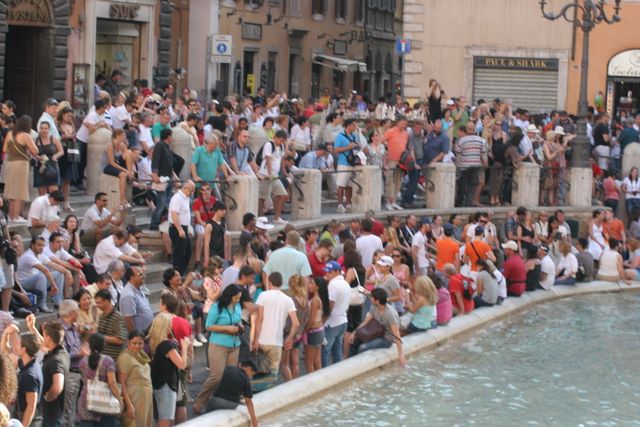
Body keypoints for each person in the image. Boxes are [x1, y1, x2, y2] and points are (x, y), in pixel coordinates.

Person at [192, 285, 243, 414]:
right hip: (219, 345)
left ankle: (226, 400)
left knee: (230, 376)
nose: (238, 300)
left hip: (234, 344)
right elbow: (208, 326)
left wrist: (240, 325)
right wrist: (227, 329)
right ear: (229, 296)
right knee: (216, 376)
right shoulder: (217, 307)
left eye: (239, 298)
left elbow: (238, 319)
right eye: (236, 298)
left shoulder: (237, 306)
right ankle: (200, 401)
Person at [252, 273, 299, 376]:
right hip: (277, 343)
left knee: (260, 373)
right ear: (281, 284)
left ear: (269, 282)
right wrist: (289, 338)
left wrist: (255, 340)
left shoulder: (263, 295)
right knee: (272, 374)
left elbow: (259, 319)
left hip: (262, 341)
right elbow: (296, 323)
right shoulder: (288, 300)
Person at [148, 313, 190, 427]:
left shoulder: (153, 342)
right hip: (166, 385)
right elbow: (182, 364)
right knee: (166, 420)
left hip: (158, 383)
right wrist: (185, 347)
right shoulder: (167, 345)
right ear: (166, 327)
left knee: (165, 418)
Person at [350, 288, 405, 366]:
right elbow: (365, 322)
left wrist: (400, 354)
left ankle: (357, 365)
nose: (370, 298)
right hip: (377, 334)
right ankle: (350, 362)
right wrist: (354, 332)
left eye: (372, 297)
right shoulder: (374, 307)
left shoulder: (390, 314)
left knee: (362, 348)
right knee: (354, 341)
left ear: (377, 301)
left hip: (386, 339)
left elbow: (396, 334)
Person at [76, 333, 121, 427]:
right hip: (104, 403)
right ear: (104, 345)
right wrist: (120, 400)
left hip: (86, 401)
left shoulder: (83, 361)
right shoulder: (108, 361)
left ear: (90, 345)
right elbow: (112, 383)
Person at [4, 115, 40, 223]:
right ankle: (16, 217)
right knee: (19, 191)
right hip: (21, 164)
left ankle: (10, 215)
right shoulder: (26, 135)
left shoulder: (10, 133)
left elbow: (5, 149)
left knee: (11, 190)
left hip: (10, 163)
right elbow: (36, 150)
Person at [206, 360, 259, 427]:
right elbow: (248, 402)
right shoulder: (246, 380)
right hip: (230, 404)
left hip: (214, 401)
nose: (251, 376)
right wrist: (254, 420)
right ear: (249, 369)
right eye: (252, 374)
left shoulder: (229, 368)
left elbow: (226, 386)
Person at [117, 331, 153, 427]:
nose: (137, 346)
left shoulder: (142, 355)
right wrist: (129, 405)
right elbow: (122, 383)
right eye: (134, 343)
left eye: (140, 343)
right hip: (134, 400)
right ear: (128, 342)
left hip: (146, 400)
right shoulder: (125, 358)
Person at [321, 261, 350, 367]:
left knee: (325, 351)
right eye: (326, 272)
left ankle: (323, 373)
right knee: (337, 351)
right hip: (343, 321)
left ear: (337, 271)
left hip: (332, 323)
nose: (327, 274)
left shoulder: (333, 284)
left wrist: (322, 322)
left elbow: (330, 306)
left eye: (330, 272)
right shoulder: (345, 283)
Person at [280, 275, 309, 381]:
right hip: (298, 335)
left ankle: (290, 385)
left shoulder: (291, 300)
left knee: (284, 364)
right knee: (295, 362)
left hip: (288, 334)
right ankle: (295, 382)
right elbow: (307, 319)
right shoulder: (305, 300)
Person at [41, 322, 69, 427]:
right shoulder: (63, 353)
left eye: (44, 335)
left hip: (51, 414)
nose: (43, 338)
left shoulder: (55, 360)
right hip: (56, 412)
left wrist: (49, 396)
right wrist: (32, 328)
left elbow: (57, 387)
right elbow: (43, 344)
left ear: (48, 338)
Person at [150, 128, 176, 231]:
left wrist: (173, 176)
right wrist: (155, 174)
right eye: (171, 136)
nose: (172, 138)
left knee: (167, 201)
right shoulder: (159, 145)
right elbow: (155, 160)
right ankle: (154, 223)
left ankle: (162, 219)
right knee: (162, 201)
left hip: (167, 179)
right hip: (161, 179)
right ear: (168, 136)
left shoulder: (167, 147)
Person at [168, 180, 195, 275]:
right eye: (191, 190)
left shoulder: (186, 198)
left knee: (187, 252)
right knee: (179, 254)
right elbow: (174, 214)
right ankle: (177, 274)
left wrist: (187, 229)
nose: (193, 193)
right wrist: (180, 229)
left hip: (184, 228)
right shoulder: (177, 198)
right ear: (185, 188)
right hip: (177, 228)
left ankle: (181, 272)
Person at [15, 333, 42, 427]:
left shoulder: (30, 375)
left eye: (18, 343)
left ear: (23, 349)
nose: (15, 345)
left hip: (29, 421)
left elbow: (31, 406)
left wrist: (23, 425)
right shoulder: (29, 364)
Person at [94, 289, 127, 361]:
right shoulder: (102, 316)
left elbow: (120, 340)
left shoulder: (118, 317)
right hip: (104, 358)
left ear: (106, 301)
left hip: (115, 359)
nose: (97, 305)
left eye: (99, 303)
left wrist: (99, 336)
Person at [334, 118, 359, 213]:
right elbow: (336, 150)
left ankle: (348, 204)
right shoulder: (340, 136)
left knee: (350, 185)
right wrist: (348, 147)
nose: (355, 127)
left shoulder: (354, 136)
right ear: (348, 126)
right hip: (343, 163)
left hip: (352, 163)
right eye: (353, 125)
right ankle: (339, 205)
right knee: (341, 185)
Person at [119, 266, 154, 334]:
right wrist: (135, 336)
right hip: (140, 335)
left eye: (143, 273)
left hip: (147, 331)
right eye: (140, 274)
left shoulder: (139, 288)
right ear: (131, 277)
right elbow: (128, 319)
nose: (143, 276)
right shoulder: (128, 295)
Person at [304, 278, 325, 374]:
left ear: (317, 287)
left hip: (313, 332)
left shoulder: (315, 300)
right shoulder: (318, 299)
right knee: (317, 361)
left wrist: (303, 331)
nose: (309, 285)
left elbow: (311, 321)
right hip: (320, 330)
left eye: (311, 283)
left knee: (309, 363)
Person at [203, 201, 229, 267]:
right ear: (216, 210)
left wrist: (226, 255)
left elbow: (225, 240)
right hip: (213, 253)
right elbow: (206, 243)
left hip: (221, 252)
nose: (224, 211)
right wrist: (206, 257)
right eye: (221, 210)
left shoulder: (224, 224)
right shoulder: (209, 225)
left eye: (224, 209)